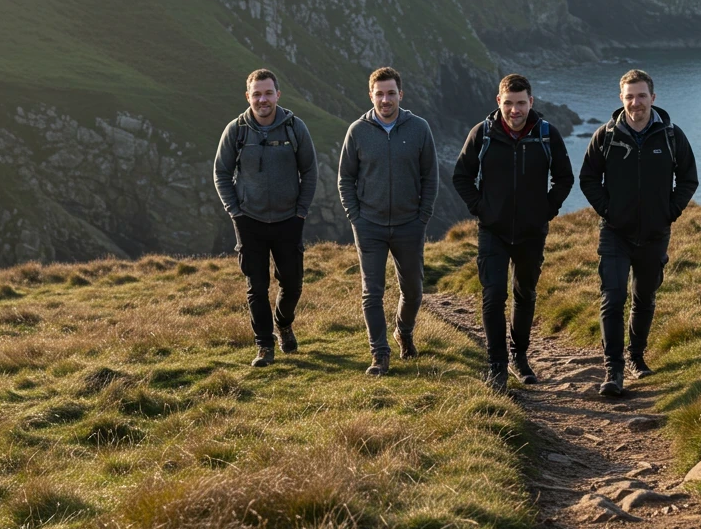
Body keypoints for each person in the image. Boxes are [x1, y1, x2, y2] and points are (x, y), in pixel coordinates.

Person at [579, 69, 698, 397]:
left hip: (655, 233)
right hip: (615, 233)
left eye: (642, 95)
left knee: (644, 299)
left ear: (653, 98)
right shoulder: (605, 136)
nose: (636, 102)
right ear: (621, 99)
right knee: (613, 298)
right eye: (629, 96)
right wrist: (608, 210)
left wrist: (670, 212)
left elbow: (688, 178)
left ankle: (636, 357)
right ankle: (613, 369)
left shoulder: (672, 137)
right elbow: (588, 178)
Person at [452, 74, 574, 392]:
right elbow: (461, 176)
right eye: (509, 103)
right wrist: (481, 208)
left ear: (531, 102)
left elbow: (564, 178)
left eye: (521, 103)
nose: (515, 110)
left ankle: (519, 358)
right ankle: (497, 366)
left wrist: (547, 210)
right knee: (493, 297)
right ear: (499, 102)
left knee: (525, 294)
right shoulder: (483, 134)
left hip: (533, 231)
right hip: (492, 230)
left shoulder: (548, 135)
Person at [213, 68, 318, 367]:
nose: (262, 100)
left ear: (278, 95)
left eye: (268, 93)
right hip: (249, 221)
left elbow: (310, 171)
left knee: (293, 284)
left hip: (289, 220)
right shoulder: (236, 130)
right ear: (248, 97)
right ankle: (264, 345)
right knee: (256, 286)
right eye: (256, 94)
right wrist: (235, 212)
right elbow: (221, 173)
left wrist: (300, 212)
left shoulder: (295, 128)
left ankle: (283, 323)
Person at [337, 67, 439, 376]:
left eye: (391, 93)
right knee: (372, 292)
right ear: (371, 96)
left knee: (413, 290)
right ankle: (379, 354)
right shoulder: (357, 131)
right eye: (379, 94)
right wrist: (356, 218)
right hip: (369, 224)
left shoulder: (419, 128)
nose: (385, 99)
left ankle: (403, 332)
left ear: (400, 95)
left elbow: (430, 178)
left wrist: (422, 218)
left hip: (410, 224)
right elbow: (346, 179)